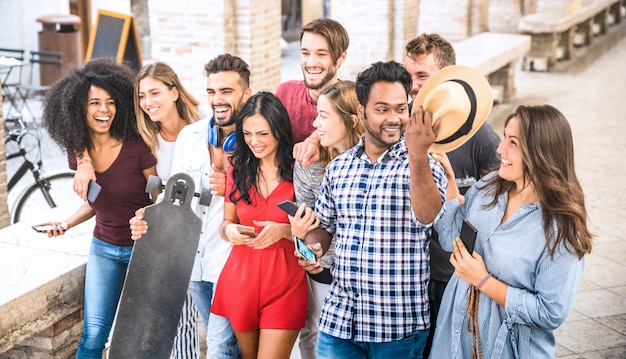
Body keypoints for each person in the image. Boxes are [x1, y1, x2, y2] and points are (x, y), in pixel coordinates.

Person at [303, 60, 447, 358]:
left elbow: (429, 216)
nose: (394, 118)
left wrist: (418, 153)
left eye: (401, 108)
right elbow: (325, 228)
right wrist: (312, 246)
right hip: (339, 322)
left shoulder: (426, 165)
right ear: (360, 112)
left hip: (397, 330)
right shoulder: (339, 167)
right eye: (382, 109)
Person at [429, 105, 594, 358]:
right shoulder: (487, 187)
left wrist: (483, 280)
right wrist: (451, 185)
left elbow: (550, 313)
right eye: (504, 136)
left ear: (542, 152)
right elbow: (453, 240)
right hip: (452, 344)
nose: (500, 148)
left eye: (513, 142)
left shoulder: (563, 230)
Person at [74, 61, 202, 358]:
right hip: (157, 236)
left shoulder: (202, 128)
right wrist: (83, 161)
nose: (147, 103)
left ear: (174, 92)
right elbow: (88, 127)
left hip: (197, 234)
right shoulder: (145, 135)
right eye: (141, 97)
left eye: (154, 93)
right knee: (152, 332)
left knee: (183, 329)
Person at [130, 53, 252, 359]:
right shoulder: (191, 136)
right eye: (212, 92)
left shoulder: (257, 140)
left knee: (220, 348)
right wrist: (149, 214)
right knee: (226, 344)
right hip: (195, 264)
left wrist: (232, 187)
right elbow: (175, 193)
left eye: (227, 91)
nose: (217, 99)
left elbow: (269, 194)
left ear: (246, 95)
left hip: (234, 264)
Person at [38, 58, 158, 358]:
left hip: (142, 250)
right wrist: (65, 224)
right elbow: (98, 202)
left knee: (138, 338)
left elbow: (157, 192)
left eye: (110, 102)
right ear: (79, 106)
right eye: (94, 102)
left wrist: (152, 211)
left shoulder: (136, 145)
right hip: (103, 247)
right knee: (93, 336)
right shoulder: (77, 151)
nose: (104, 110)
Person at [403, 33, 502, 357]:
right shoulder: (399, 122)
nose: (414, 86)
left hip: (451, 275)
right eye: (409, 77)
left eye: (422, 77)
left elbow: (502, 199)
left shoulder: (480, 136)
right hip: (406, 273)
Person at [211, 92, 308, 359]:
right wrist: (229, 231)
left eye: (263, 134)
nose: (254, 141)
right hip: (241, 280)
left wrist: (284, 231)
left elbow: (317, 229)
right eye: (248, 134)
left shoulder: (300, 168)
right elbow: (226, 222)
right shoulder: (237, 168)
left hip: (286, 284)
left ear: (279, 130)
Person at [287, 80, 364, 359]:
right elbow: (308, 229)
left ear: (352, 120)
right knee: (321, 339)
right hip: (325, 273)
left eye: (324, 116)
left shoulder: (376, 164)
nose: (314, 125)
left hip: (367, 280)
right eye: (316, 114)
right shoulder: (311, 164)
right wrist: (300, 234)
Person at [275, 17, 349, 168]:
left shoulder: (352, 100)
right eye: (305, 53)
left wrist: (315, 140)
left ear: (341, 58)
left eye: (322, 54)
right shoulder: (285, 93)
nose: (311, 63)